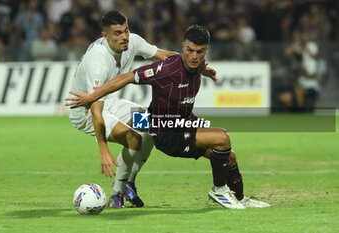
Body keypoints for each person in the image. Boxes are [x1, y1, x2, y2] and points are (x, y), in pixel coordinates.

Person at [66, 25, 270, 209]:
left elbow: (197, 63)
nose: (194, 56)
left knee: (228, 155)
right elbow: (127, 77)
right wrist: (93, 96)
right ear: (183, 47)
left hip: (184, 123)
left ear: (205, 50)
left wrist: (204, 71)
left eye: (199, 52)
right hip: (167, 133)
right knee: (222, 137)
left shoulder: (198, 63)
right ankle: (219, 191)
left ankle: (240, 198)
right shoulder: (165, 70)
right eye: (189, 50)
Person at [67, 11, 178, 208]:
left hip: (111, 101)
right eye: (117, 33)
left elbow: (164, 56)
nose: (124, 37)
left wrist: (195, 65)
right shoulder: (98, 62)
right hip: (85, 111)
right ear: (105, 36)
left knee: (152, 125)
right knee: (133, 138)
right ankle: (117, 194)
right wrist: (103, 150)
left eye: (126, 30)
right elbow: (95, 110)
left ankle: (129, 185)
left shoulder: (132, 42)